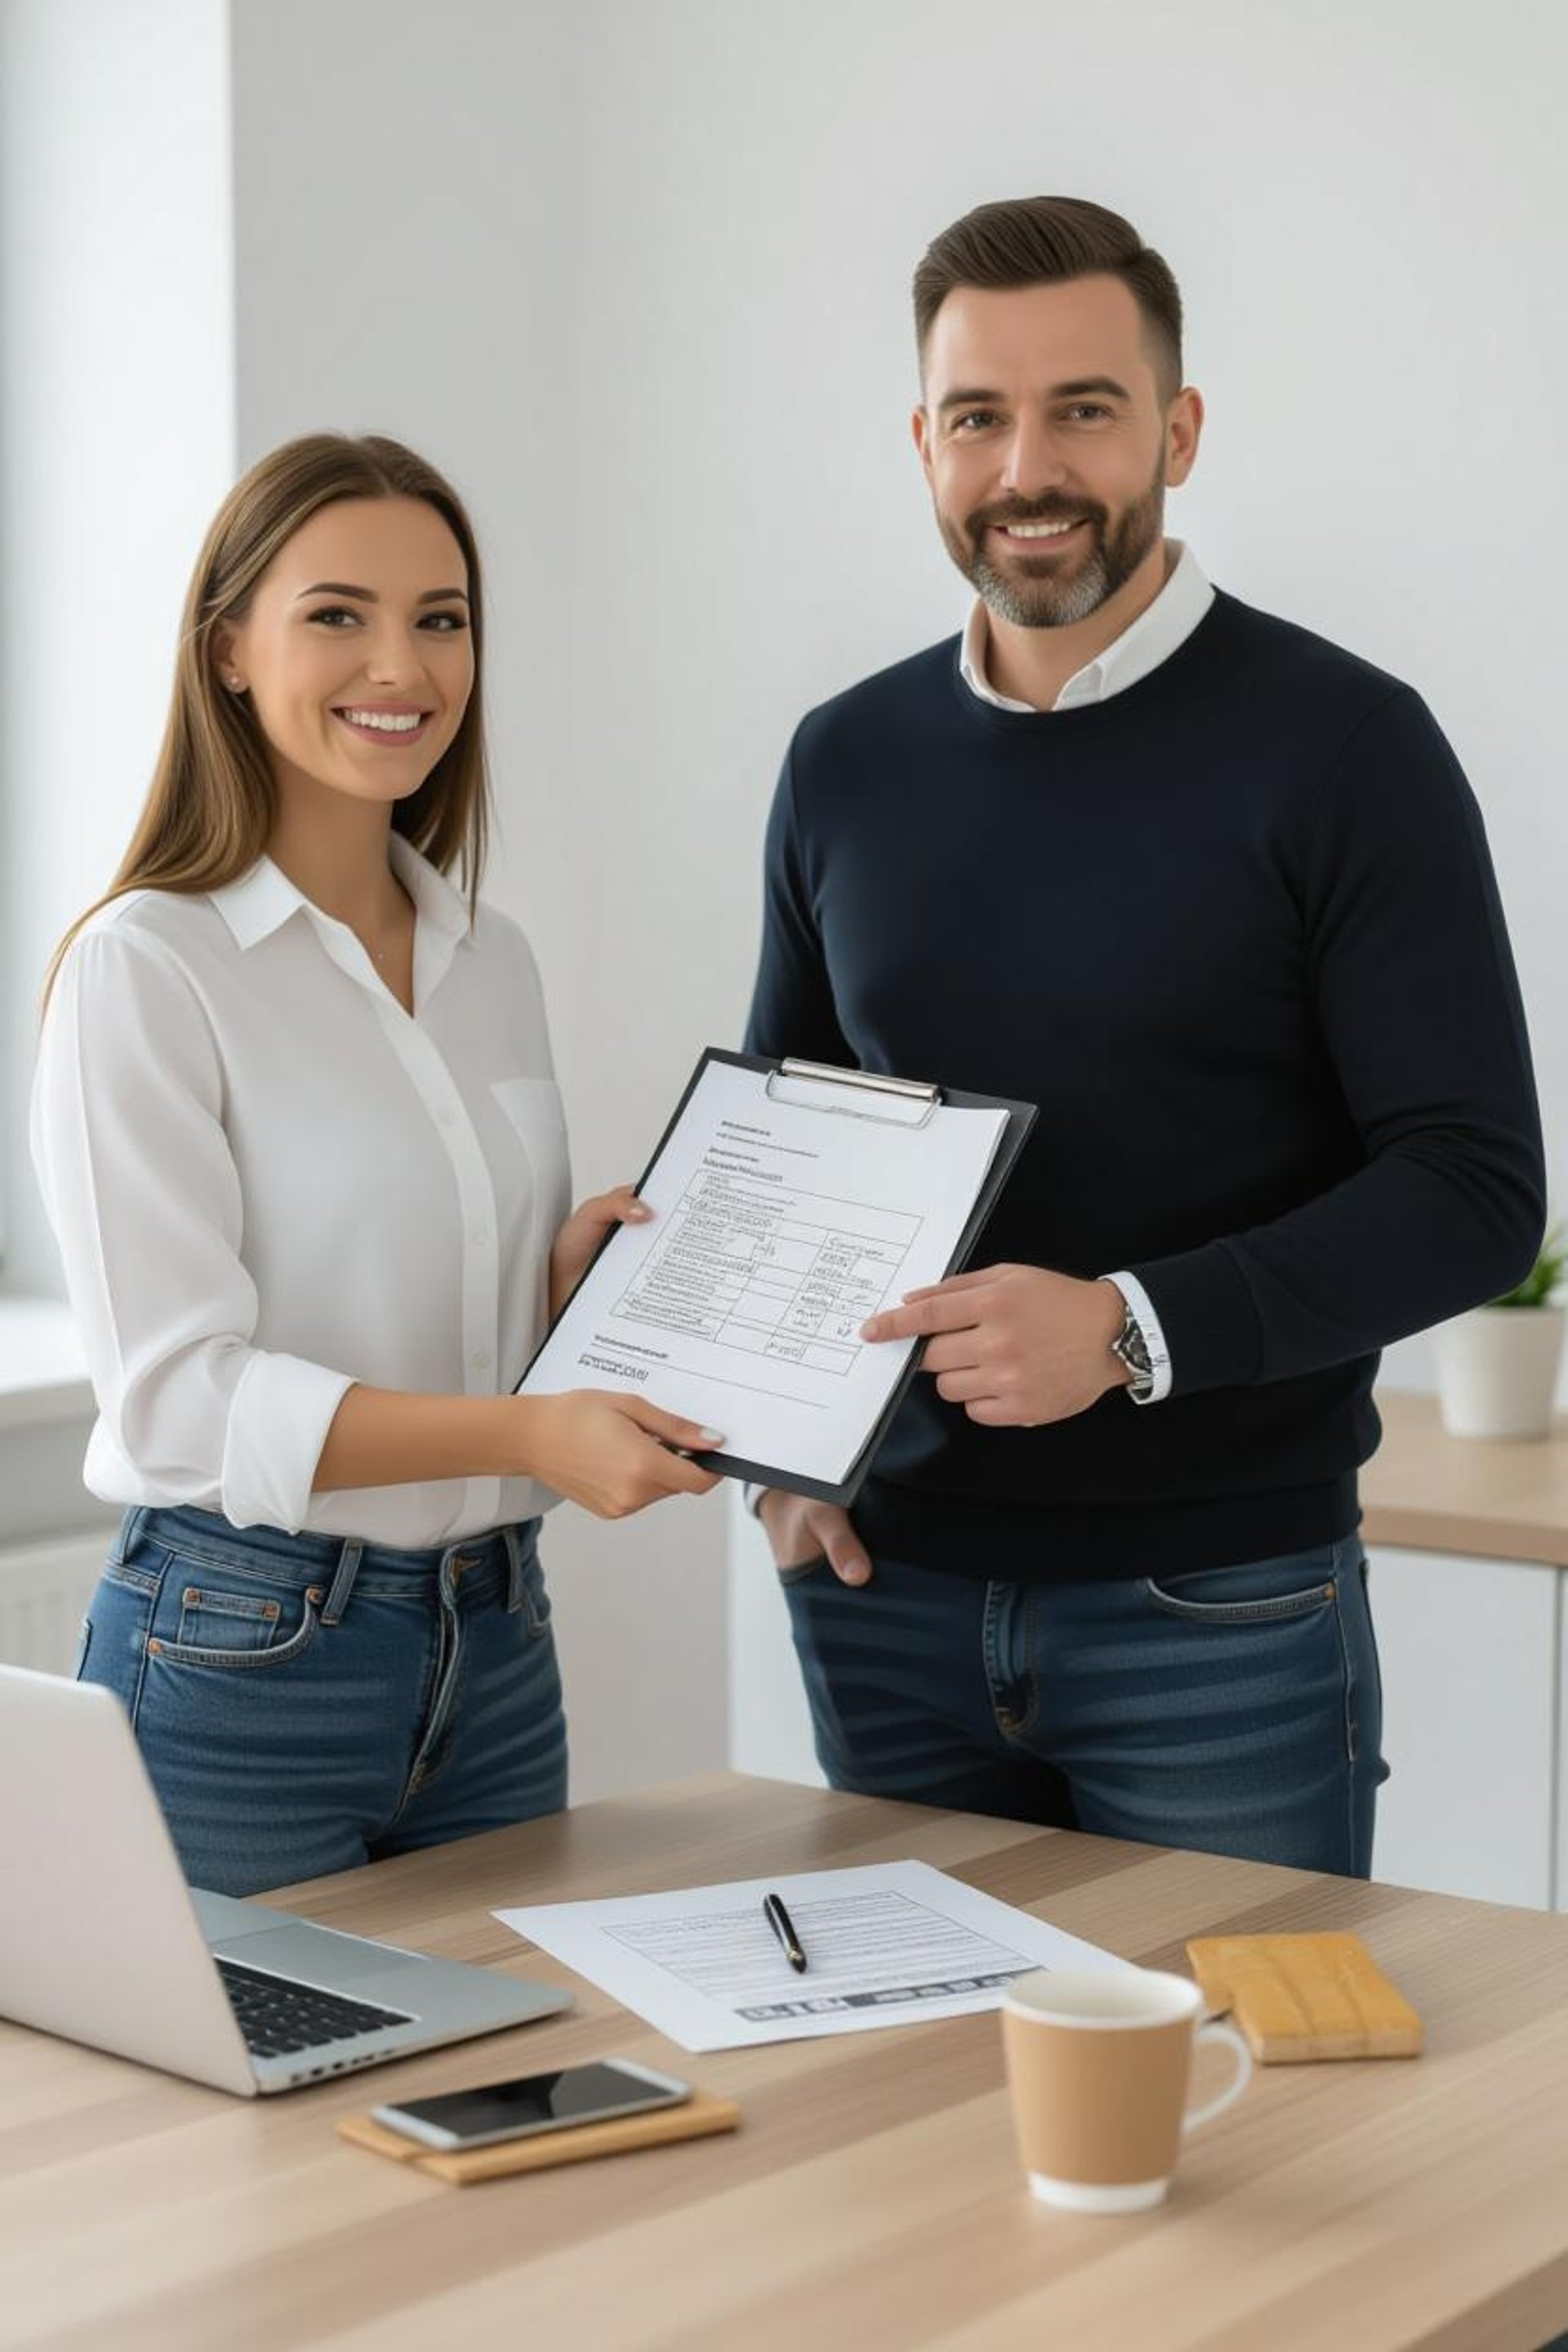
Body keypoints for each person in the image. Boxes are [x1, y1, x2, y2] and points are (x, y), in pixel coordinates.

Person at [744, 196, 1545, 1874]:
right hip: (885, 1602)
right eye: (980, 416)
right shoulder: (843, 762)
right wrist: (778, 1452)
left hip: (1221, 1612)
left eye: (1084, 409)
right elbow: (794, 1150)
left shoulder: (1348, 749)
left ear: (1176, 429)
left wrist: (1128, 1328)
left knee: (1257, 2128)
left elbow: (1475, 1186)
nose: (1028, 466)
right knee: (916, 2122)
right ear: (925, 443)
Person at [33, 432, 722, 1897]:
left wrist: (560, 1304)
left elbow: (428, 1329)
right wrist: (528, 1436)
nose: (398, 665)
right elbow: (181, 1394)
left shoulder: (496, 959)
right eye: (337, 614)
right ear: (228, 648)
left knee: (503, 2104)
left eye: (441, 618)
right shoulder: (145, 967)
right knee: (242, 2124)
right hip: (239, 1657)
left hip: (498, 1644)